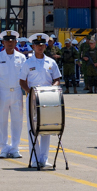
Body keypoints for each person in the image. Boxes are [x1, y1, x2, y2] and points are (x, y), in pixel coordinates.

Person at [21, 33, 62, 167]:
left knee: (46, 128)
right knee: (32, 129)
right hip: (32, 100)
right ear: (33, 46)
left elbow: (57, 79)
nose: (40, 47)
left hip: (48, 99)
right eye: (37, 45)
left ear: (45, 46)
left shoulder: (51, 62)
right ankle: (34, 159)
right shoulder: (28, 63)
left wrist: (53, 89)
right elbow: (22, 81)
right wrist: (30, 92)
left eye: (42, 45)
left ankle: (44, 159)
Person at [0, 30, 27, 159]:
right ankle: (3, 148)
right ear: (3, 42)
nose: (10, 43)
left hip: (17, 91)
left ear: (16, 42)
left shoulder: (21, 57)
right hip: (2, 91)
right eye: (7, 41)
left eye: (12, 41)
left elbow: (25, 76)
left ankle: (15, 148)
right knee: (2, 120)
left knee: (17, 120)